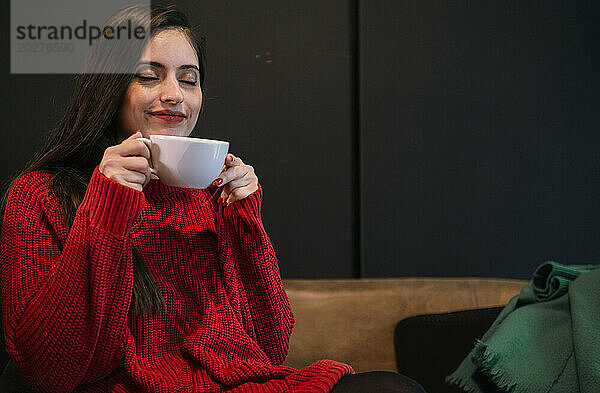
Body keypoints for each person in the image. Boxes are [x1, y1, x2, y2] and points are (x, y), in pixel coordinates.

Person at [0, 5, 426, 393]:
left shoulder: (208, 196)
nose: (175, 95)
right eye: (149, 76)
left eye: (189, 79)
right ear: (107, 91)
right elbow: (49, 372)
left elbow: (268, 348)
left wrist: (245, 223)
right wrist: (108, 209)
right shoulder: (40, 195)